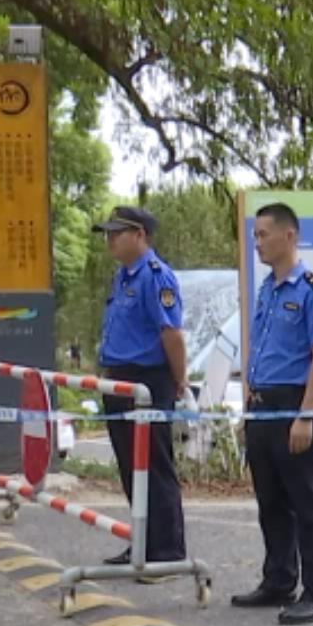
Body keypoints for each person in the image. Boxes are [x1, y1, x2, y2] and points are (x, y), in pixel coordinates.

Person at [231, 203, 313, 625]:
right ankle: (279, 579)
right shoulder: (266, 289)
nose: (257, 242)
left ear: (289, 236)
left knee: (307, 501)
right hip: (262, 405)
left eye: (263, 235)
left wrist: (305, 416)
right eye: (254, 236)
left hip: (294, 403)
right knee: (270, 499)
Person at [94, 205, 186, 569]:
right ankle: (143, 541)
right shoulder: (123, 277)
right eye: (108, 233)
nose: (110, 240)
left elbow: (171, 334)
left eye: (117, 233)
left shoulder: (155, 276)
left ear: (140, 236)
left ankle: (167, 549)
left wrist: (179, 380)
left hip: (147, 379)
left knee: (154, 464)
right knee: (130, 465)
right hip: (118, 377)